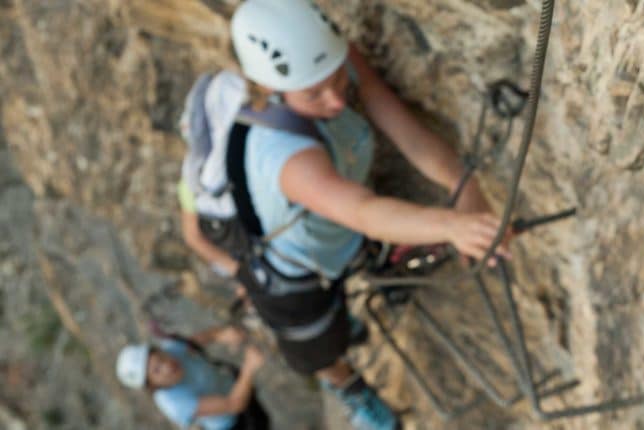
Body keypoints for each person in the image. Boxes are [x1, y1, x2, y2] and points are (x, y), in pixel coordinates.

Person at [179, 1, 510, 429]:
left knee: (346, 277)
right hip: (292, 274)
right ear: (270, 88)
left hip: (335, 237)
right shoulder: (280, 154)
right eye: (313, 94)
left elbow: (402, 128)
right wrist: (452, 226)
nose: (335, 98)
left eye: (336, 80)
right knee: (317, 350)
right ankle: (355, 393)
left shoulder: (329, 58)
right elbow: (363, 211)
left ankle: (347, 314)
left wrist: (463, 187)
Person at [116, 325, 269, 430]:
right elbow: (234, 404)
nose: (167, 366)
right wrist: (248, 368)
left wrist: (222, 334)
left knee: (264, 419)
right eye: (157, 371)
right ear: (154, 385)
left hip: (234, 387)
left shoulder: (172, 348)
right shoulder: (176, 403)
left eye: (161, 357)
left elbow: (202, 339)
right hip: (232, 424)